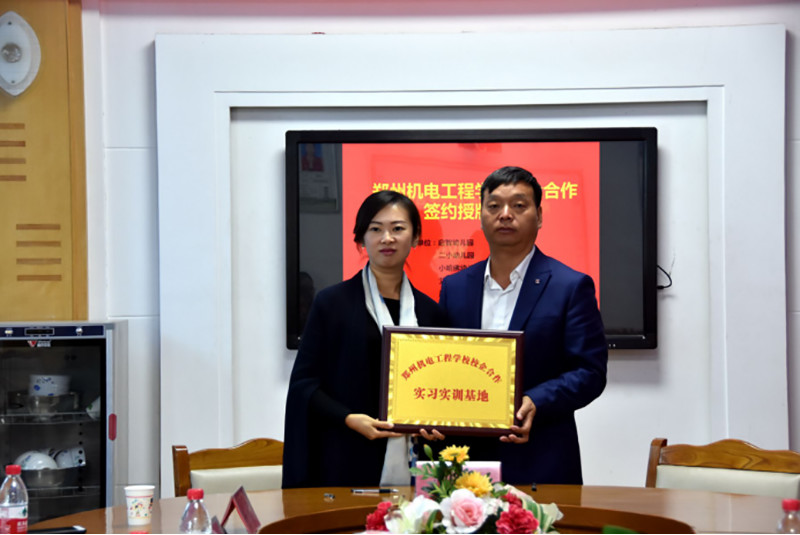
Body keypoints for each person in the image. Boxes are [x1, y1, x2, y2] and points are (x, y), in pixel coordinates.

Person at [438, 166, 608, 485]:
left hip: (540, 457)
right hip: (466, 461)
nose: (505, 214)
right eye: (494, 206)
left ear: (539, 216)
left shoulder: (570, 286)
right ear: (481, 215)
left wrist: (536, 400)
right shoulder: (454, 287)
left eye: (518, 205)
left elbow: (590, 372)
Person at [282, 190, 448, 488]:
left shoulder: (431, 312)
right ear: (361, 238)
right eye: (375, 229)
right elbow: (304, 385)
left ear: (415, 237)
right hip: (346, 455)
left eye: (398, 228)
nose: (387, 238)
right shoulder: (332, 303)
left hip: (415, 462)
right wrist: (349, 418)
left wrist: (436, 420)